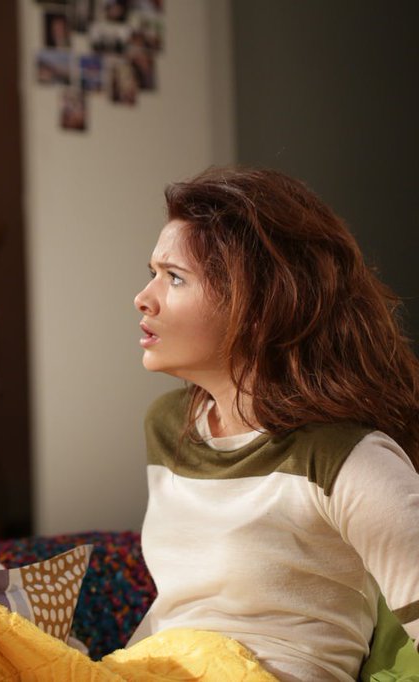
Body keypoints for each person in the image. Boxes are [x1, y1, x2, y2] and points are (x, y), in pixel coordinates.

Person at [131, 166, 419, 681]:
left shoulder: (349, 461)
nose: (143, 297)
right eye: (152, 272)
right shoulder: (168, 425)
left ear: (258, 308)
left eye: (174, 278)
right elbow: (179, 608)